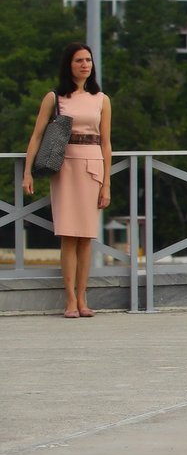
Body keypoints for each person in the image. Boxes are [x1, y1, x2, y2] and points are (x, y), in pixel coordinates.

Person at [21, 42, 112, 319]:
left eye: (88, 60)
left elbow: (107, 143)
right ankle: (70, 299)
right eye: (78, 61)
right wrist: (27, 171)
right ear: (68, 65)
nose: (85, 65)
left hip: (92, 166)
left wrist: (107, 182)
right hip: (65, 167)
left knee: (86, 237)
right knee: (68, 236)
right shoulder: (55, 97)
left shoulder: (101, 99)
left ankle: (84, 297)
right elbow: (37, 136)